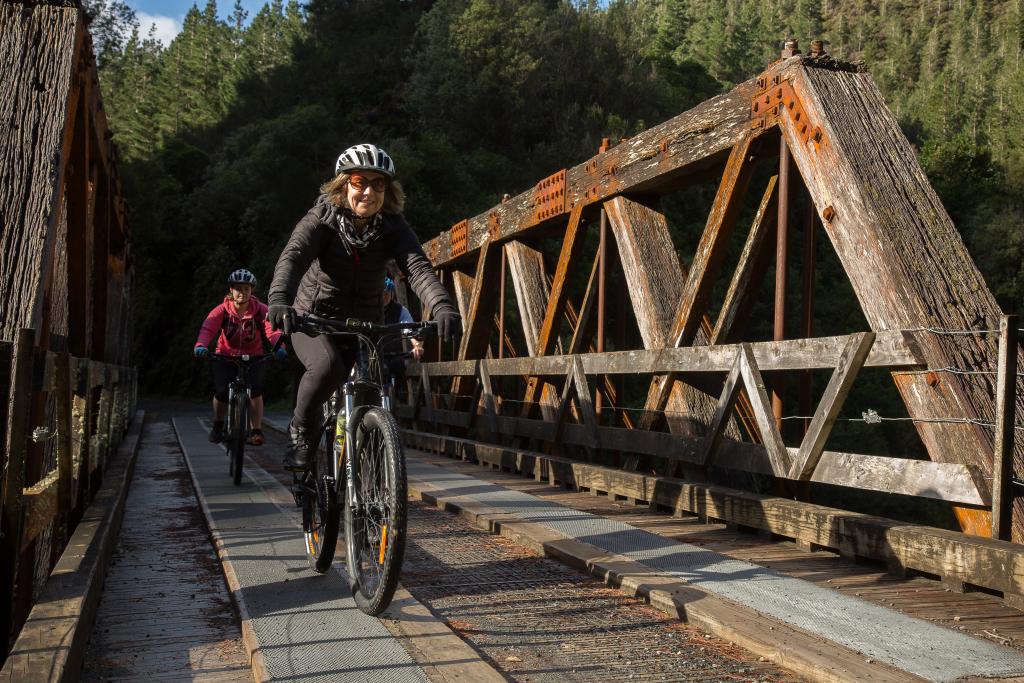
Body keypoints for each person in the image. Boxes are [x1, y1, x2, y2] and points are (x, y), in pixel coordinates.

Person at [267, 143, 461, 470]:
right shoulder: (322, 218)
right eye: (359, 182)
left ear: (388, 189)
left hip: (366, 325)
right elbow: (293, 257)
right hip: (315, 322)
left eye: (378, 184)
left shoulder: (392, 226)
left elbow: (417, 268)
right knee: (328, 369)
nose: (368, 192)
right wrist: (279, 300)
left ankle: (372, 477)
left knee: (373, 386)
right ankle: (301, 430)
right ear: (344, 185)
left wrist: (442, 306)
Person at [194, 268, 287, 445]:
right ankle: (218, 425)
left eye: (246, 289)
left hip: (254, 357)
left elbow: (272, 330)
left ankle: (256, 430)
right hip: (225, 356)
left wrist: (279, 346)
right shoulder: (222, 310)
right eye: (238, 288)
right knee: (221, 392)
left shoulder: (261, 310)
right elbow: (208, 328)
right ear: (231, 290)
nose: (242, 293)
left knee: (256, 389)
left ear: (252, 290)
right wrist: (201, 345)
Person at [381, 275, 424, 399]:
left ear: (392, 293)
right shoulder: (371, 308)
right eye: (382, 294)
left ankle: (398, 406)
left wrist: (416, 345)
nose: (385, 297)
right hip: (375, 353)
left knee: (400, 370)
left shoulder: (399, 310)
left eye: (387, 294)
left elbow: (409, 329)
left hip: (394, 354)